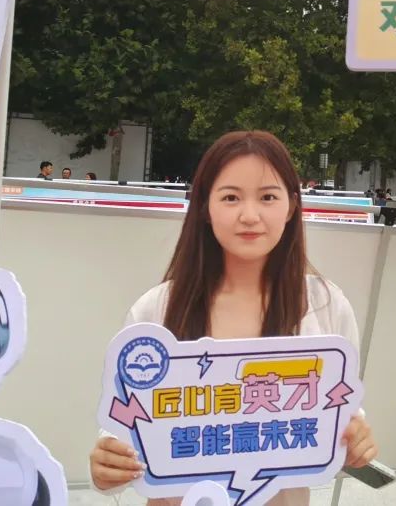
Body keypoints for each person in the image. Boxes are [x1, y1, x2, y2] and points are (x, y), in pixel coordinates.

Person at [88, 131, 377, 499]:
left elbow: (342, 410)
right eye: (230, 197)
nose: (250, 216)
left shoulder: (324, 304)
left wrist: (356, 438)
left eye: (268, 197)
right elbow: (123, 427)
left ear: (291, 207)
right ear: (204, 208)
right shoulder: (155, 309)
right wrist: (109, 463)